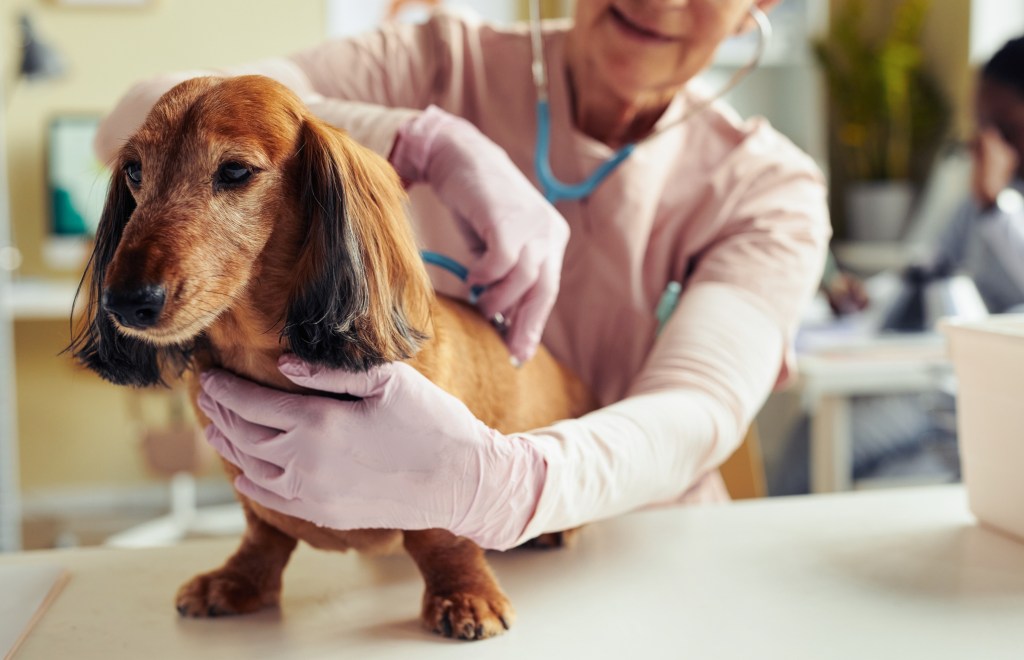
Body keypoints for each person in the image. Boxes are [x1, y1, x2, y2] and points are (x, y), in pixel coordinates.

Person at [95, 0, 829, 550]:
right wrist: (424, 141)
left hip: (634, 549)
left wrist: (499, 485)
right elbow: (137, 113)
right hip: (409, 565)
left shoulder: (769, 189)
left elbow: (699, 412)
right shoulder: (439, 60)